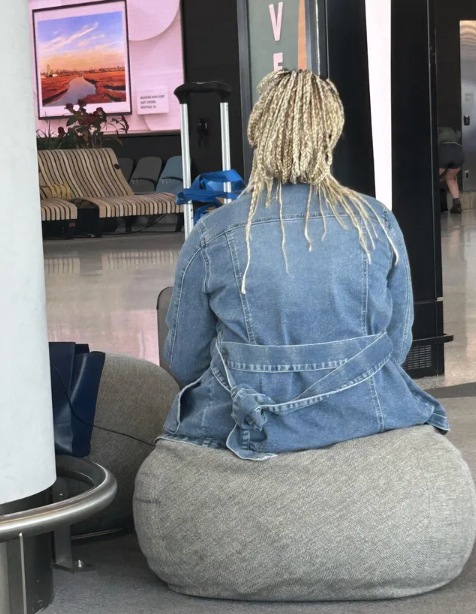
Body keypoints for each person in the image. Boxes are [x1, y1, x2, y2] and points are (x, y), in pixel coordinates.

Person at [162, 69, 449, 460]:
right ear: (331, 135)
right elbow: (397, 345)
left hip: (250, 428)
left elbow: (184, 361)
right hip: (367, 413)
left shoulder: (215, 233)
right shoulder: (375, 221)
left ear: (256, 134)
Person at [438, 125, 464, 213]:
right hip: (459, 152)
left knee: (431, 178)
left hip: (444, 150)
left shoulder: (437, 130)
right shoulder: (453, 131)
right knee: (450, 178)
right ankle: (457, 204)